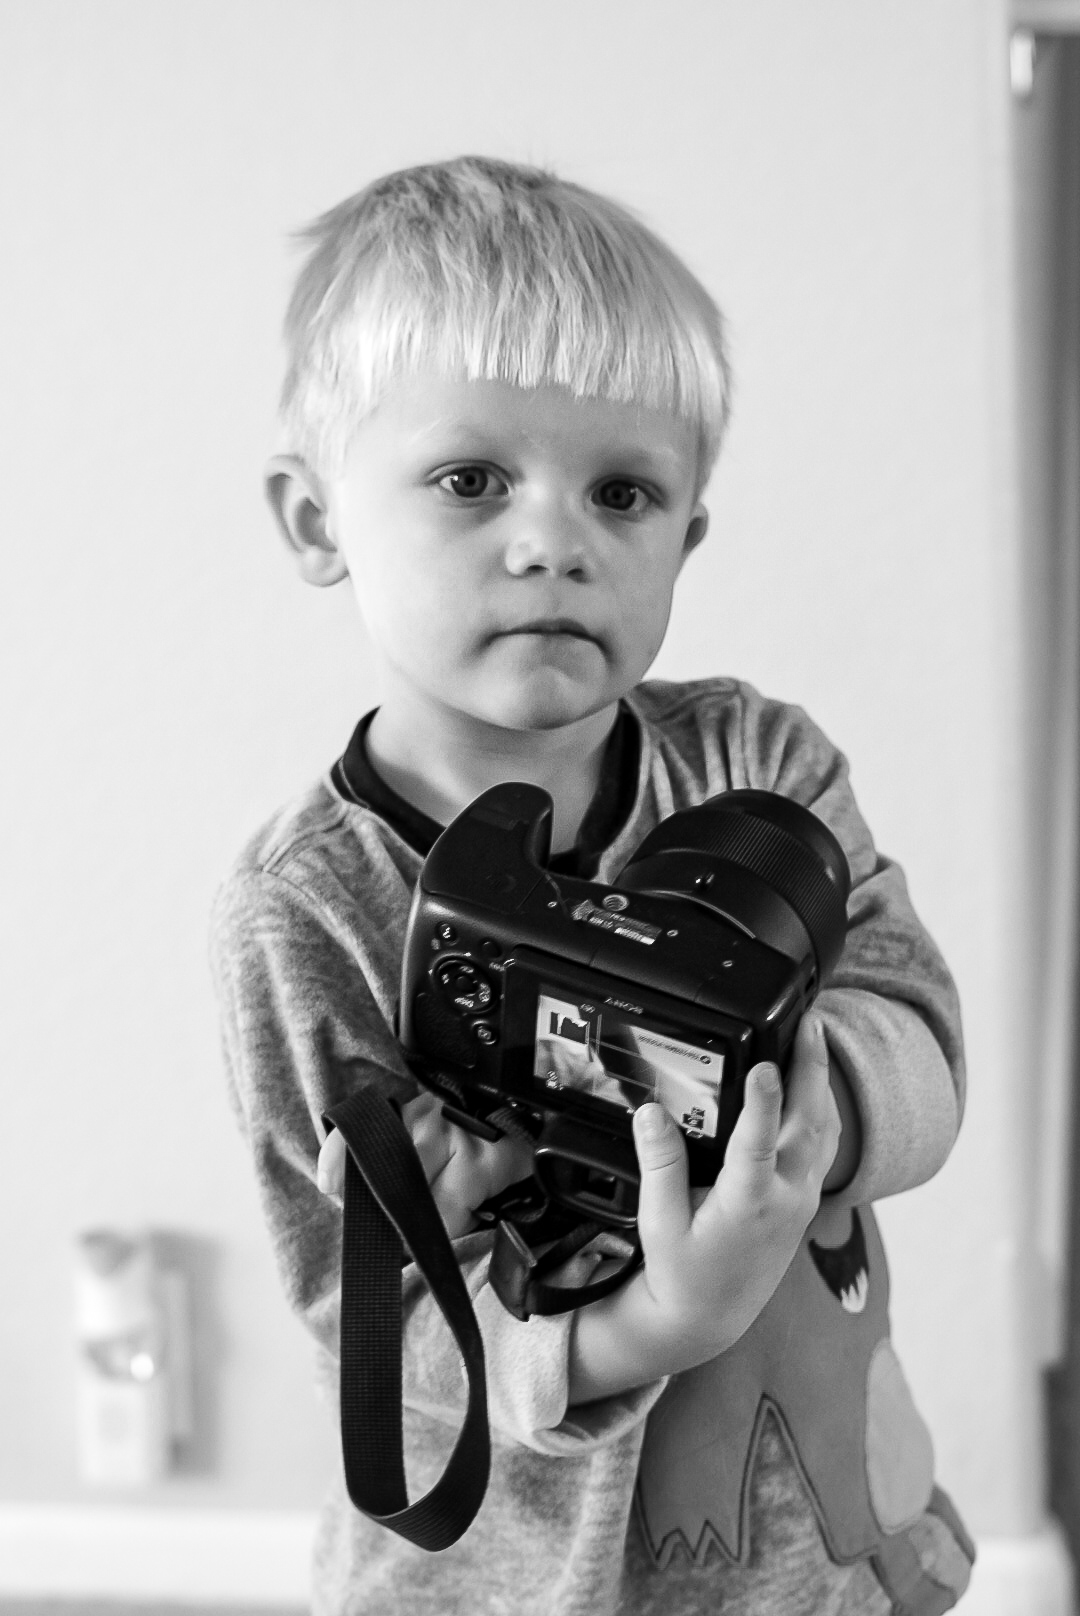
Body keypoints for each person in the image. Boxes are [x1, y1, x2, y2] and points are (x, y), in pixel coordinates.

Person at [210, 156, 974, 1615]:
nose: (554, 540)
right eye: (471, 480)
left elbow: (925, 1050)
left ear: (685, 537)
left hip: (810, 1558)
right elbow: (378, 1345)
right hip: (512, 1587)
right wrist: (644, 1326)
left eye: (623, 492)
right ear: (317, 522)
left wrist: (791, 1105)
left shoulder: (759, 763)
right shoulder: (308, 909)